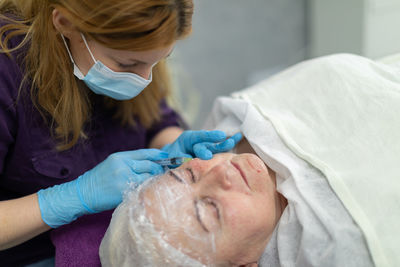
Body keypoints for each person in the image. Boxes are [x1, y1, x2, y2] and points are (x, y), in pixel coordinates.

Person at [99, 53, 400, 266]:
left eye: (187, 175)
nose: (219, 174)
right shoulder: (339, 247)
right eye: (211, 209)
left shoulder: (231, 121)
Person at [0, 1, 241, 266]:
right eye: (128, 64)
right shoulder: (7, 73)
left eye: (159, 60)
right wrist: (74, 197)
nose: (144, 78)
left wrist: (173, 146)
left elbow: (154, 118)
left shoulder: (136, 45)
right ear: (65, 23)